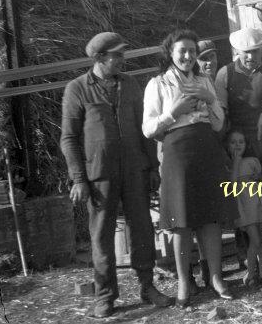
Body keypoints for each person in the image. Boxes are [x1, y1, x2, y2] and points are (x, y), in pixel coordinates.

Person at [60, 32, 173, 318]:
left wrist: (152, 167)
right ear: (99, 58)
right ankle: (105, 296)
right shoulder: (77, 89)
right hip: (99, 176)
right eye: (117, 56)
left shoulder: (131, 85)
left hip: (135, 170)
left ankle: (148, 286)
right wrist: (78, 179)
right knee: (101, 236)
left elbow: (144, 129)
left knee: (143, 228)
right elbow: (69, 138)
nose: (122, 60)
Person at [143, 29, 236, 307]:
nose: (187, 56)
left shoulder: (205, 80)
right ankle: (185, 281)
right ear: (170, 53)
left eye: (192, 51)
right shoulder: (158, 83)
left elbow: (218, 124)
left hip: (207, 149)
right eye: (182, 51)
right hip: (177, 152)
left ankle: (216, 277)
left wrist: (209, 99)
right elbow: (148, 129)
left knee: (211, 218)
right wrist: (175, 110)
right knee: (180, 223)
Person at [214, 27, 262, 273]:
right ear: (237, 51)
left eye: (255, 52)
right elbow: (221, 112)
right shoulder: (224, 74)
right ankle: (247, 261)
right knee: (244, 204)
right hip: (242, 148)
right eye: (246, 53)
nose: (250, 57)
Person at [227, 129, 262, 287]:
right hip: (244, 208)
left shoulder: (253, 160)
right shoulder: (228, 164)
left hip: (259, 204)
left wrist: (260, 178)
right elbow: (231, 187)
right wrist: (236, 162)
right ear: (227, 145)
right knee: (255, 240)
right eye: (233, 142)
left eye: (241, 142)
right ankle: (251, 273)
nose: (237, 145)